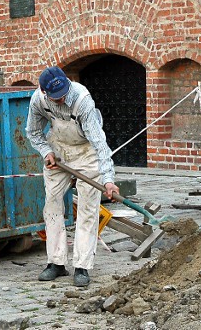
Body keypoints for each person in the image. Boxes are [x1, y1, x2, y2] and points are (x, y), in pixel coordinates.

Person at [26, 66, 120, 286]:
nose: (61, 100)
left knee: (88, 208)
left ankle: (82, 266)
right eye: (55, 98)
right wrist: (46, 152)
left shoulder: (82, 100)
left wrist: (108, 180)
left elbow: (99, 143)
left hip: (87, 152)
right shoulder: (38, 101)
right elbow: (33, 132)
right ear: (44, 91)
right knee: (52, 204)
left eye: (63, 95)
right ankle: (56, 263)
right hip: (58, 150)